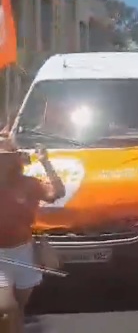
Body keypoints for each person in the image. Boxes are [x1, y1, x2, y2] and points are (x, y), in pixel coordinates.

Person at [0, 139, 65, 333]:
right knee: (5, 308)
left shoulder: (29, 184)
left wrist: (45, 162)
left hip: (24, 253)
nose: (3, 162)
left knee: (18, 308)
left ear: (16, 159)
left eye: (7, 157)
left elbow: (57, 192)